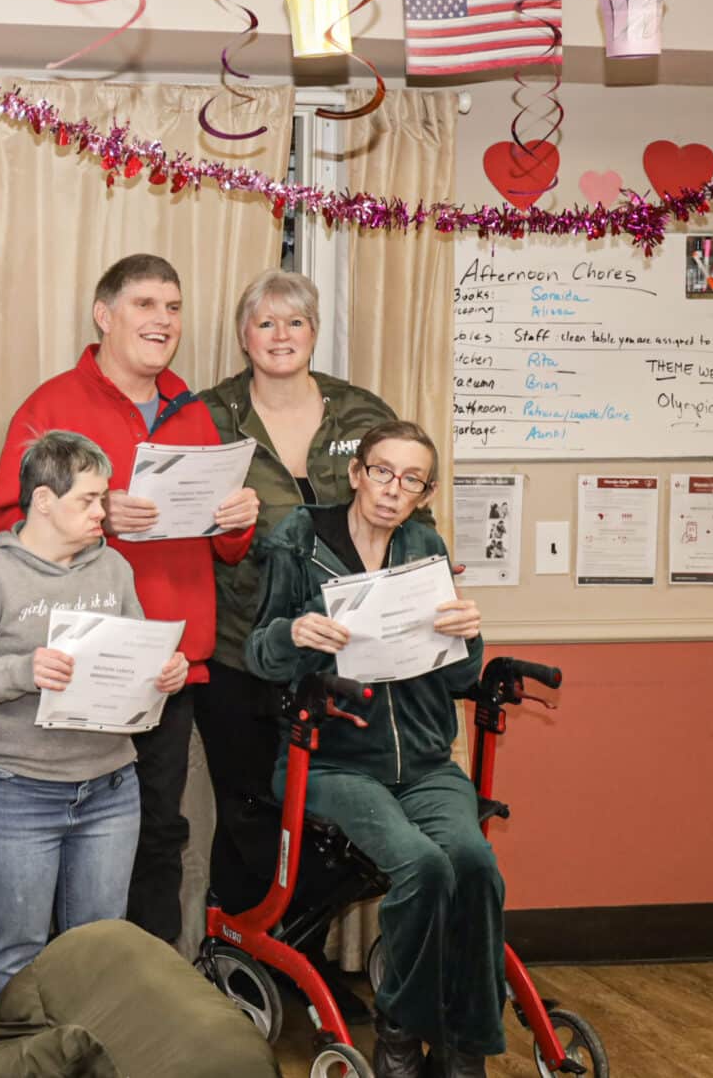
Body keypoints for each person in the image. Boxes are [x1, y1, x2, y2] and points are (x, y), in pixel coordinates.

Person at [0, 254, 259, 946]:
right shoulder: (49, 407)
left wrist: (238, 519)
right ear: (105, 315)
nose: (162, 319)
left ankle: (151, 995)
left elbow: (226, 549)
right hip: (79, 661)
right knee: (70, 837)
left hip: (168, 662)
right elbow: (2, 525)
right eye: (145, 304)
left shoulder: (195, 409)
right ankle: (64, 993)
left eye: (173, 306)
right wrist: (100, 517)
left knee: (159, 833)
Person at [244, 421, 499, 1078]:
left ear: (425, 491)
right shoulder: (300, 538)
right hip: (328, 760)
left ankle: (464, 1040)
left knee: (473, 863)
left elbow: (460, 678)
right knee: (422, 864)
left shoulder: (424, 548)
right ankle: (401, 1030)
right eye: (382, 471)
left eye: (410, 479)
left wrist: (470, 636)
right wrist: (294, 631)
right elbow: (258, 655)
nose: (392, 489)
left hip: (423, 760)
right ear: (357, 472)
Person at [199, 267, 421, 998]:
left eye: (294, 323)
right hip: (239, 646)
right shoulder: (211, 415)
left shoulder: (361, 413)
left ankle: (304, 956)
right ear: (243, 336)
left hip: (340, 658)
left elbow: (406, 516)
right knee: (245, 810)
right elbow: (178, 524)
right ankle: (233, 961)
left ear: (314, 333)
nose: (281, 337)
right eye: (265, 324)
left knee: (321, 816)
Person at [0, 431, 188, 1025]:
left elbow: (133, 652)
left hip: (109, 787)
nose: (103, 512)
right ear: (44, 502)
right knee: (17, 951)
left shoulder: (114, 568)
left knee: (100, 952)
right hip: (15, 791)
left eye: (102, 498)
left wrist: (163, 672)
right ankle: (14, 1065)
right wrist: (24, 670)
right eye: (88, 500)